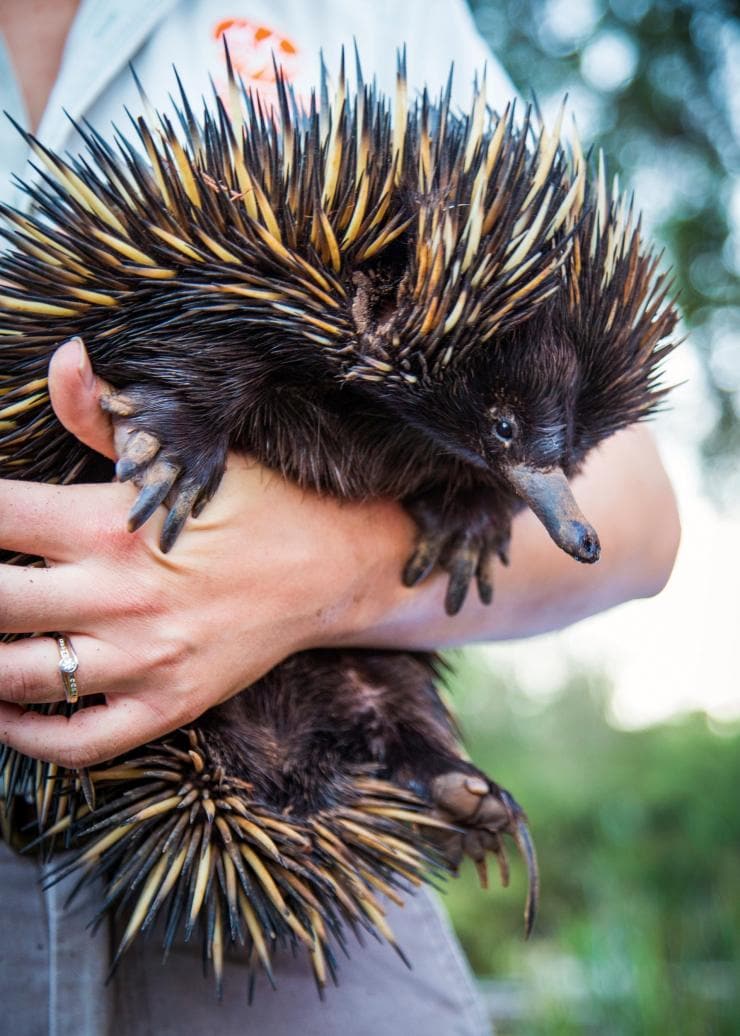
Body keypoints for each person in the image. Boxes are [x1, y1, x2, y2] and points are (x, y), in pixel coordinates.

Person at [0, 2, 681, 1034]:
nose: (556, 500)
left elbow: (642, 522)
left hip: (290, 911)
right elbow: (188, 316)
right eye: (512, 432)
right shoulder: (267, 318)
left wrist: (343, 567)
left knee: (330, 720)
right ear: (375, 315)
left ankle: (403, 752)